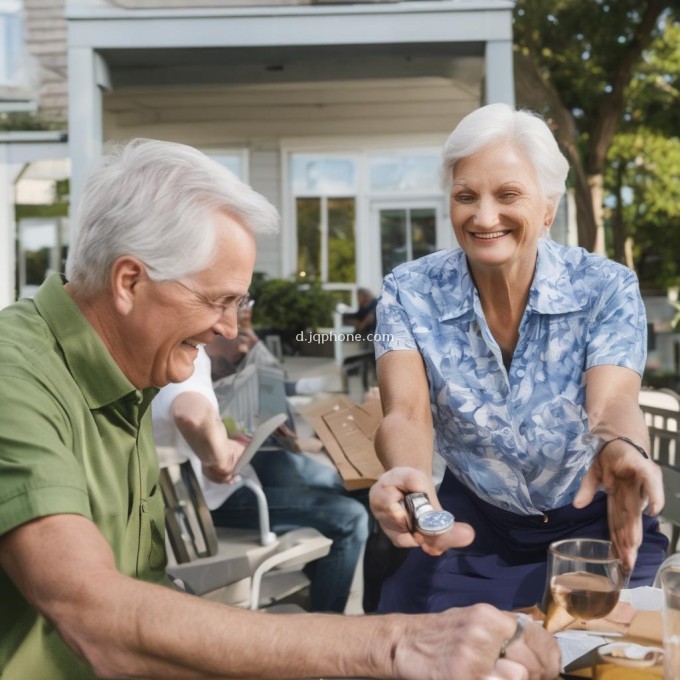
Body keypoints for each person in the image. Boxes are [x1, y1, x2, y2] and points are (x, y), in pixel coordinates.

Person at [0, 137, 560, 680]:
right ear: (129, 281)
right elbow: (98, 620)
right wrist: (392, 644)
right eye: (218, 300)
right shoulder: (15, 373)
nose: (228, 327)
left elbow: (143, 596)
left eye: (238, 303)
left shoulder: (126, 372)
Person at [370, 103, 668, 617]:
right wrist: (411, 480)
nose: (485, 217)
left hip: (595, 527)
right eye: (466, 196)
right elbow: (407, 413)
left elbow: (612, 401)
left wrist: (623, 448)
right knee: (418, 648)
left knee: (615, 653)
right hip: (472, 527)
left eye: (508, 195)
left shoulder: (605, 286)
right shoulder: (408, 291)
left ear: (548, 209)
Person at [152, 344, 370, 613]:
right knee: (351, 517)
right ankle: (325, 621)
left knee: (339, 488)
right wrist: (218, 458)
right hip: (212, 500)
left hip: (211, 490)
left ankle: (318, 594)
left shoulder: (173, 352)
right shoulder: (187, 357)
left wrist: (224, 439)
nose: (232, 333)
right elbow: (190, 415)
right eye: (226, 307)